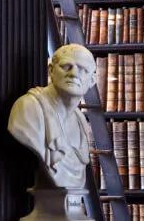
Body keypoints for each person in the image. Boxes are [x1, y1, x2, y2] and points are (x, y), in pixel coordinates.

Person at [8, 43, 95, 189]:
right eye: (66, 66)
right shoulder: (28, 108)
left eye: (83, 70)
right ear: (51, 71)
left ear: (92, 81)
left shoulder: (81, 121)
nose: (74, 73)